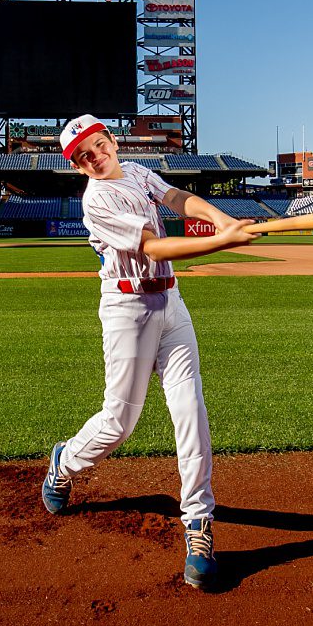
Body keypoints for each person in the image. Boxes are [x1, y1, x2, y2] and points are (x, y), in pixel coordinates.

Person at [41, 114, 257, 590]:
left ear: (111, 141)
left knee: (190, 410)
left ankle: (198, 526)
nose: (95, 158)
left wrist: (218, 216)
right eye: (84, 156)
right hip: (127, 310)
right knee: (119, 423)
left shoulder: (137, 171)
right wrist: (222, 242)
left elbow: (176, 198)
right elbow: (154, 248)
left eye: (98, 146)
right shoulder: (96, 200)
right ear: (77, 166)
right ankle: (67, 461)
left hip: (171, 304)